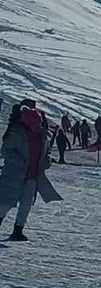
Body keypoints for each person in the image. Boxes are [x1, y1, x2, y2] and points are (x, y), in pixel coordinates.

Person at [1, 100, 62, 241]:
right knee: (6, 202)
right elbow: (5, 151)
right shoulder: (16, 133)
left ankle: (18, 230)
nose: (37, 125)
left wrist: (46, 161)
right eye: (35, 122)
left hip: (33, 175)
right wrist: (20, 161)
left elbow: (46, 153)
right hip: (14, 174)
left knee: (26, 203)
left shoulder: (41, 135)